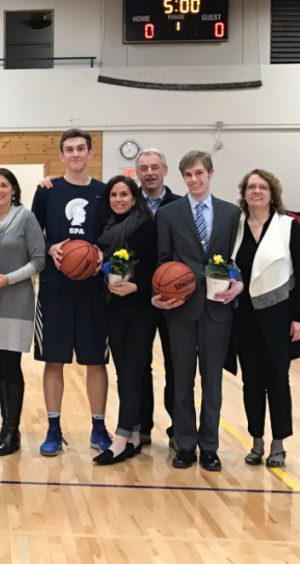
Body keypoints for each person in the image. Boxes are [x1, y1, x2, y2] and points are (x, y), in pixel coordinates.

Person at [153, 150, 242, 472]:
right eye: (188, 175)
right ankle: (185, 444)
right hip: (181, 309)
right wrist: (160, 293)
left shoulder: (231, 214)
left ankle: (210, 446)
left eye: (199, 174)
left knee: (213, 382)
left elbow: (236, 261)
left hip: (218, 310)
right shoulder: (169, 214)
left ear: (210, 173)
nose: (194, 180)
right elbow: (163, 261)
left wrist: (237, 283)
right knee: (182, 380)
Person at [31, 129, 111, 456]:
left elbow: (113, 234)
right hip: (55, 289)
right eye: (69, 149)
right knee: (54, 361)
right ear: (61, 155)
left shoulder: (105, 193)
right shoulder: (47, 191)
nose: (75, 154)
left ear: (91, 153)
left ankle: (98, 426)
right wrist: (50, 249)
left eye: (81, 149)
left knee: (97, 362)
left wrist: (102, 254)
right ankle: (53, 428)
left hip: (94, 290)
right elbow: (32, 235)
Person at [230, 169, 298, 468]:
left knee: (277, 381)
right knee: (251, 382)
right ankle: (256, 441)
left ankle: (278, 443)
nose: (256, 191)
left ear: (273, 193)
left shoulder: (288, 227)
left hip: (278, 316)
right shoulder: (237, 227)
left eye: (262, 187)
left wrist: (298, 318)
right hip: (244, 317)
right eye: (251, 187)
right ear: (244, 193)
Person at [0, 168, 45, 456]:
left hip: (16, 300)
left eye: (4, 185)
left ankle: (13, 432)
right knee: (0, 368)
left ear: (13, 189)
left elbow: (39, 260)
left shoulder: (26, 217)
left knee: (11, 366)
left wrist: (8, 279)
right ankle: (4, 428)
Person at [94, 176, 157, 465]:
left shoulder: (147, 224)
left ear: (135, 197)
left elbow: (158, 266)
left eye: (124, 194)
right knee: (124, 372)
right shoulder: (106, 229)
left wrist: (138, 286)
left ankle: (119, 439)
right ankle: (132, 435)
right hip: (113, 308)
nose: (119, 199)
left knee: (132, 372)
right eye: (114, 195)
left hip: (142, 309)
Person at [134, 149, 181, 447]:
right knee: (139, 364)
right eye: (143, 168)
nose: (149, 172)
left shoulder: (179, 205)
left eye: (154, 167)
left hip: (173, 296)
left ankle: (179, 427)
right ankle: (142, 425)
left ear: (164, 169)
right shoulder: (127, 201)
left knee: (177, 364)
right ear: (137, 172)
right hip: (136, 297)